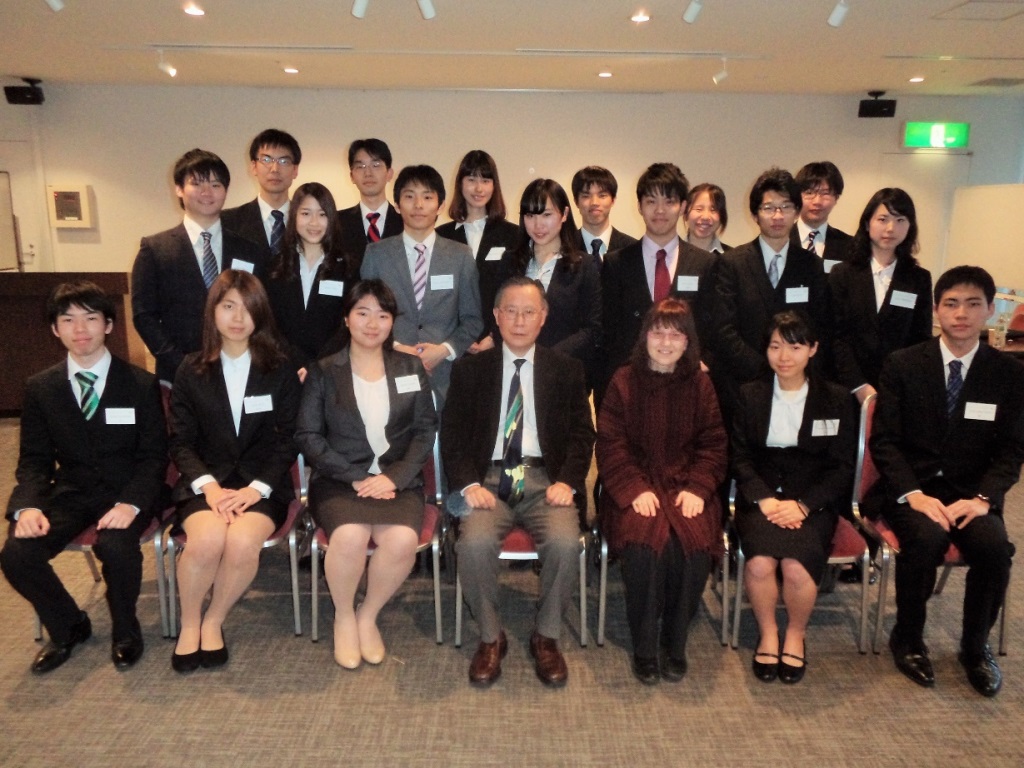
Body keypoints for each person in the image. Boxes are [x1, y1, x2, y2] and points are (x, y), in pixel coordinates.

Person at [865, 266, 1024, 697]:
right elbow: (885, 442)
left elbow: (1012, 450)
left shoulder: (1007, 374)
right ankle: (909, 637)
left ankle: (975, 648)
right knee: (926, 541)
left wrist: (983, 498)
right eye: (951, 303)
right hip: (912, 489)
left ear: (991, 311)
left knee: (994, 550)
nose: (961, 314)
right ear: (937, 310)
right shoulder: (903, 364)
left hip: (971, 494)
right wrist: (912, 494)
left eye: (974, 304)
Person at [1, 281, 167, 673]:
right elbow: (34, 461)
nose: (80, 329)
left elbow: (154, 457)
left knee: (115, 545)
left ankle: (126, 629)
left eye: (90, 318)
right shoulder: (41, 388)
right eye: (68, 319)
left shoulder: (141, 384)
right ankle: (68, 625)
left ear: (109, 324)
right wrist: (26, 507)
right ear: (55, 329)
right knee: (17, 553)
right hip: (72, 491)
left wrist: (131, 503)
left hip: (128, 490)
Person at [441, 276, 595, 688]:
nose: (520, 320)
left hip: (546, 480)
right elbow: (452, 435)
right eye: (511, 310)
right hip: (487, 481)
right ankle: (491, 638)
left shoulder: (566, 370)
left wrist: (568, 480)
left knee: (565, 543)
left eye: (530, 312)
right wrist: (468, 483)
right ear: (496, 316)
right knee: (472, 543)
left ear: (544, 318)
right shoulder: (470, 369)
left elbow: (583, 433)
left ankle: (546, 636)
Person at [295, 280, 437, 668]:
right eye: (363, 313)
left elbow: (426, 429)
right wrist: (355, 476)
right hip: (341, 480)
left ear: (392, 322)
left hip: (397, 480)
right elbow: (308, 435)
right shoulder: (325, 371)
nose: (372, 323)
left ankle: (367, 614)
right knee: (350, 537)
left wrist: (395, 477)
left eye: (383, 315)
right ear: (346, 318)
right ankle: (343, 615)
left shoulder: (410, 367)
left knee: (401, 542)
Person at [168, 270, 300, 673]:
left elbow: (289, 438)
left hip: (263, 486)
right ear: (213, 313)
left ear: (260, 314)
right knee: (206, 542)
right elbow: (180, 442)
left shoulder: (279, 368)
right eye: (228, 307)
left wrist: (257, 489)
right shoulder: (190, 370)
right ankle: (190, 624)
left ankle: (215, 619)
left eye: (247, 308)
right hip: (206, 484)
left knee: (242, 544)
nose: (238, 317)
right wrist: (208, 488)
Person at [596, 298, 727, 685]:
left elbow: (714, 444)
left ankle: (675, 637)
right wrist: (633, 487)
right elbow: (610, 443)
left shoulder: (701, 384)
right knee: (642, 544)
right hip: (634, 486)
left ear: (688, 342)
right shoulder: (623, 381)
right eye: (658, 332)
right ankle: (644, 644)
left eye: (676, 334)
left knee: (695, 544)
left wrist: (700, 489)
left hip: (687, 485)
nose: (665, 342)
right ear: (645, 336)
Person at [731, 311, 856, 684]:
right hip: (761, 499)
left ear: (813, 350)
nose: (784, 356)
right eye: (775, 346)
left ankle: (796, 634)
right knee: (759, 564)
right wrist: (764, 500)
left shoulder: (835, 400)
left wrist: (804, 504)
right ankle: (769, 632)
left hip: (812, 502)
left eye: (795, 346)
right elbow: (738, 457)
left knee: (796, 567)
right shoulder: (749, 395)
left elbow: (842, 467)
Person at [131, 148, 263, 384]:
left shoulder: (250, 250)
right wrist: (180, 363)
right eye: (197, 184)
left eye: (215, 184)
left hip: (240, 371)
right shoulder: (155, 249)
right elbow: (144, 316)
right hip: (178, 375)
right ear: (179, 189)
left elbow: (261, 311)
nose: (207, 192)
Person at [710, 167, 829, 429]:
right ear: (755, 214)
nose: (777, 215)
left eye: (786, 206)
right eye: (768, 208)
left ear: (797, 212)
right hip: (743, 385)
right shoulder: (732, 263)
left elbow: (819, 324)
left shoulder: (811, 265)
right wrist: (766, 368)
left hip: (797, 386)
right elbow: (723, 329)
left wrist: (791, 368)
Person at [360, 164, 482, 409]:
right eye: (409, 197)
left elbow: (472, 319)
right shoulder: (376, 254)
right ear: (397, 205)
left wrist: (444, 350)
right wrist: (396, 347)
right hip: (388, 368)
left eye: (427, 197)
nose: (418, 205)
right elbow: (363, 316)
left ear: (440, 205)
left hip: (444, 376)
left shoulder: (461, 256)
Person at [601, 164, 718, 402]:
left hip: (687, 382)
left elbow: (713, 325)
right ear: (640, 207)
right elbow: (608, 330)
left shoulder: (704, 263)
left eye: (669, 201)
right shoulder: (616, 263)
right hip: (631, 384)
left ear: (683, 207)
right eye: (651, 201)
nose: (660, 210)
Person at [828, 188, 932, 403]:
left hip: (898, 388)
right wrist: (858, 385)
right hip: (846, 387)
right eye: (883, 219)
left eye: (900, 219)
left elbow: (920, 339)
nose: (891, 228)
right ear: (867, 223)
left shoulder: (918, 279)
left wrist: (900, 382)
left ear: (910, 226)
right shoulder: (843, 273)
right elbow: (836, 336)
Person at [497, 178, 601, 387]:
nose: (538, 225)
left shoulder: (584, 265)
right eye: (530, 215)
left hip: (562, 373)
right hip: (513, 369)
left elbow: (592, 328)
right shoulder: (510, 261)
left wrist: (547, 357)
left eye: (546, 215)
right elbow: (498, 314)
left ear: (564, 214)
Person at [264, 181, 359, 379]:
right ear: (294, 216)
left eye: (322, 214)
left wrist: (317, 365)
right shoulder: (276, 266)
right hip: (284, 368)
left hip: (332, 370)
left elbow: (348, 323)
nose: (314, 223)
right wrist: (297, 362)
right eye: (306, 213)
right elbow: (269, 321)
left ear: (331, 218)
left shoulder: (346, 267)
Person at [436, 149, 520, 352]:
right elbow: (438, 296)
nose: (478, 188)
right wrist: (457, 340)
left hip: (498, 341)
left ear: (494, 185)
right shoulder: (441, 236)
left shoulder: (513, 235)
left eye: (486, 180)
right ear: (460, 183)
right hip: (450, 345)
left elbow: (514, 291)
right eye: (471, 179)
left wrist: (494, 336)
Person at [221, 128, 301, 260]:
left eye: (283, 161)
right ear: (253, 166)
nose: (274, 169)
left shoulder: (308, 222)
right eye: (266, 160)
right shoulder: (228, 222)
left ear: (295, 170)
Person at [337, 138, 403, 260]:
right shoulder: (337, 222)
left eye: (376, 165)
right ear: (351, 176)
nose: (368, 173)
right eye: (361, 166)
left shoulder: (405, 220)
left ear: (389, 173)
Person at [791, 161, 852, 273]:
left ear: (836, 198)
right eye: (809, 193)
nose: (817, 201)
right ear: (797, 196)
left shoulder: (850, 246)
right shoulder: (781, 240)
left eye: (825, 193)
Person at [570, 165, 637, 261]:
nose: (594, 203)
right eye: (586, 196)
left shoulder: (632, 249)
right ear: (576, 201)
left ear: (613, 200)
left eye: (602, 195)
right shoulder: (565, 249)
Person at [684, 183, 731, 255]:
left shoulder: (732, 258)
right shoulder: (671, 255)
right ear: (685, 213)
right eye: (699, 209)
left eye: (713, 210)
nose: (705, 217)